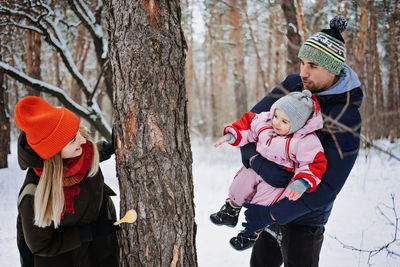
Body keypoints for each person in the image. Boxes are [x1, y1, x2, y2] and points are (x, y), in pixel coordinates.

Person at [239, 16, 363, 266]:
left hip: (305, 217)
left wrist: (271, 213)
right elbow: (248, 127)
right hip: (270, 200)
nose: (303, 73)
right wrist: (259, 164)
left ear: (333, 68)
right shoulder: (293, 85)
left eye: (313, 66)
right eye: (302, 63)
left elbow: (328, 188)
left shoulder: (345, 115)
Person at [210, 90, 327, 251]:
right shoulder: (265, 122)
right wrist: (232, 135)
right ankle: (230, 210)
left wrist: (302, 182)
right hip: (258, 166)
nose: (277, 123)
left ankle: (250, 233)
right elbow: (248, 125)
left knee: (261, 204)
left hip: (278, 181)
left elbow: (313, 163)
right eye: (276, 116)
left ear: (298, 124)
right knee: (241, 182)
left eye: (284, 121)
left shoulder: (304, 141)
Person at [14, 96, 119, 267]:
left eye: (77, 132)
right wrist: (87, 233)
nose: (83, 141)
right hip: (62, 259)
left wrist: (106, 149)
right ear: (55, 154)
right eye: (72, 141)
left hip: (97, 248)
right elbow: (40, 246)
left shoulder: (81, 152)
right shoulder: (33, 195)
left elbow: (85, 154)